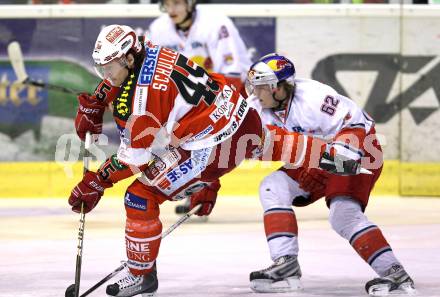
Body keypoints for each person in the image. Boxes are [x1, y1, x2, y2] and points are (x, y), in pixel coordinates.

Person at [69, 25, 349, 297]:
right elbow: (120, 78)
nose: (104, 75)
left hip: (212, 147)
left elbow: (135, 160)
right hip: (240, 117)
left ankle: (141, 275)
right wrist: (97, 101)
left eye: (108, 68)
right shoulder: (148, 48)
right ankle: (342, 156)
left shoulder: (141, 102)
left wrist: (97, 181)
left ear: (129, 58)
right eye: (101, 69)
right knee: (271, 143)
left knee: (140, 196)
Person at [245, 53, 416, 296]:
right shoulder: (258, 107)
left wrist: (331, 164)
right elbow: (233, 143)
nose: (255, 94)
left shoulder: (315, 98)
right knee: (273, 186)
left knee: (343, 215)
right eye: (254, 86)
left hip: (359, 151)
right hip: (318, 156)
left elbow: (356, 126)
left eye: (261, 87)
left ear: (279, 88)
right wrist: (206, 181)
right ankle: (285, 266)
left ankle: (394, 274)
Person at [148, 0, 253, 214]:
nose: (172, 10)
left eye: (177, 3)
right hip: (185, 102)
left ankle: (204, 191)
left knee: (224, 146)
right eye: (167, 4)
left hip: (222, 94)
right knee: (184, 146)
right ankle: (199, 192)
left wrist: (217, 107)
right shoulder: (158, 29)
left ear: (190, 3)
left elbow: (234, 71)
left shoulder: (215, 23)